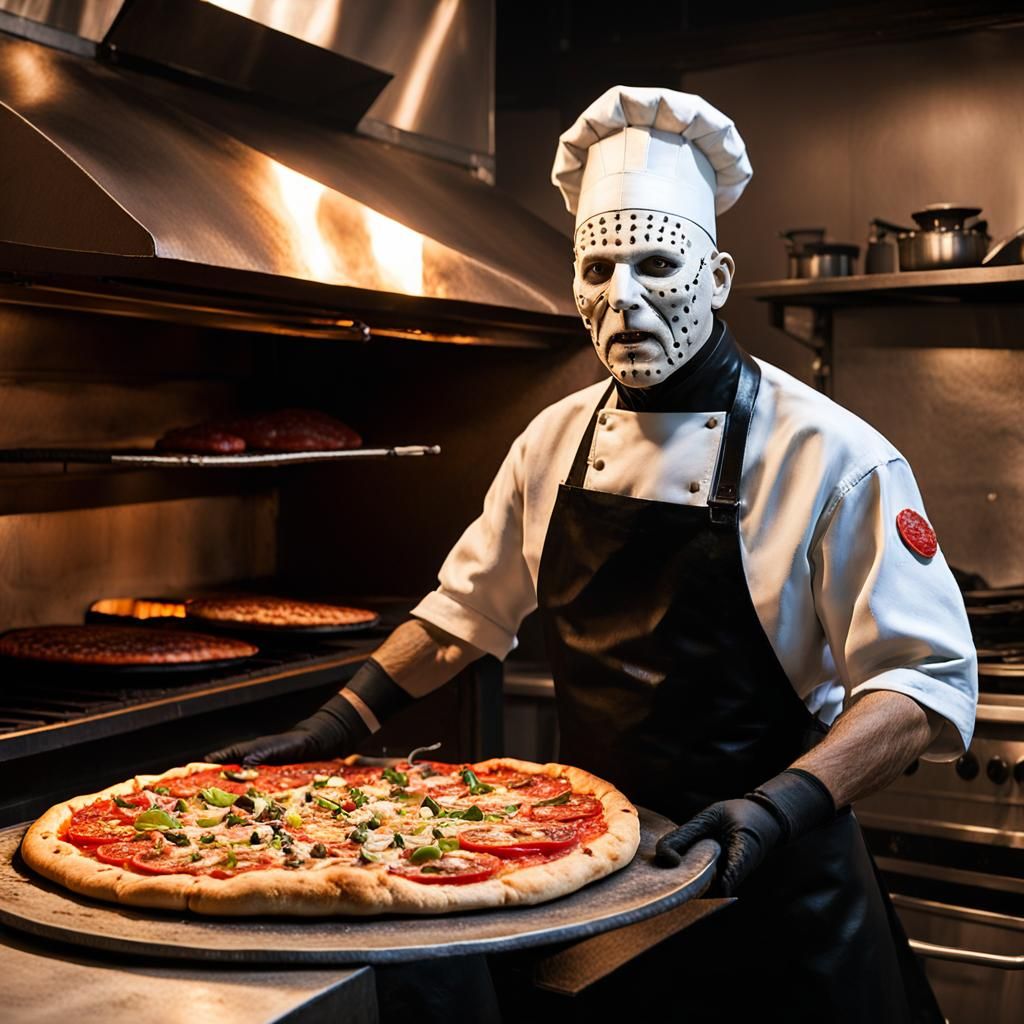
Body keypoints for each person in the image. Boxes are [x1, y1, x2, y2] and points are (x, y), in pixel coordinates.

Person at [211, 86, 976, 1022]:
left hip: (782, 893)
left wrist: (779, 807)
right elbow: (462, 617)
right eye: (599, 268)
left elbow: (921, 686)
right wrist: (333, 726)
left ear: (718, 277)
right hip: (599, 874)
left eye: (657, 265)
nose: (626, 300)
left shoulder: (834, 455)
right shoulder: (553, 440)